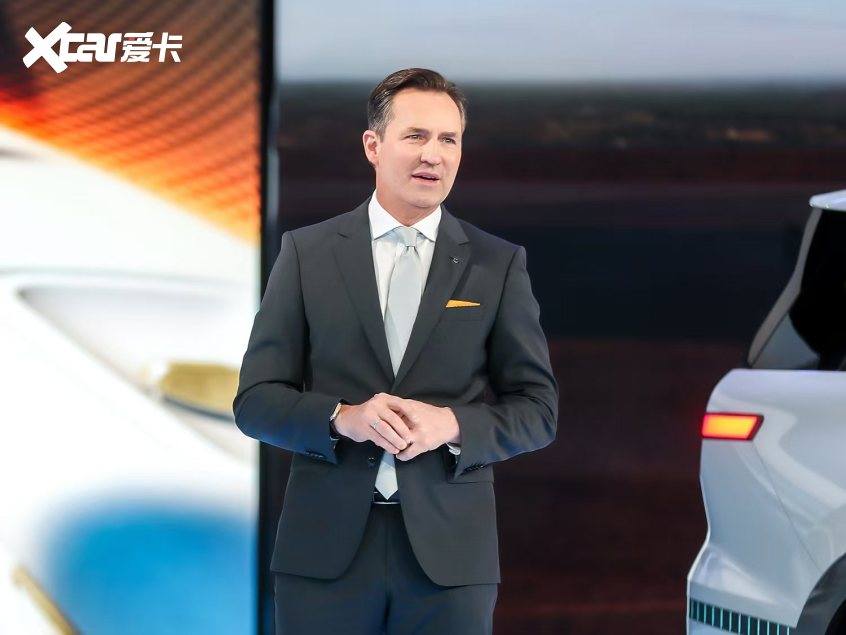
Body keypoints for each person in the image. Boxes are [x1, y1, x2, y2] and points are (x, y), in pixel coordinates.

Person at [233, 67, 558, 634]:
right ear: (373, 145)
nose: (434, 154)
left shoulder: (497, 263)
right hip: (324, 552)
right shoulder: (308, 253)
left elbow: (538, 411)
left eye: (448, 139)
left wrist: (450, 424)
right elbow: (255, 402)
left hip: (450, 559)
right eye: (415, 136)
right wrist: (343, 418)